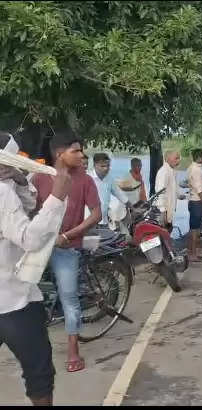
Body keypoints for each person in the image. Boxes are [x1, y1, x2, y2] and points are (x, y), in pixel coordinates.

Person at [0, 131, 71, 406]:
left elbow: (26, 206)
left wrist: (20, 182)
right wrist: (57, 198)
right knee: (39, 374)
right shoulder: (3, 193)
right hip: (14, 302)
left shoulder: (9, 188)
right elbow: (29, 238)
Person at [32, 129, 102, 374]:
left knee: (69, 298)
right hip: (38, 247)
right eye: (77, 150)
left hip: (67, 248)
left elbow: (96, 214)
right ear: (60, 154)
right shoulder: (39, 177)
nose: (82, 155)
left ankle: (73, 350)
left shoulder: (85, 179)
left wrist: (68, 236)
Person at [89, 153, 131, 227]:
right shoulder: (88, 179)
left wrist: (132, 207)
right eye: (102, 166)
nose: (106, 168)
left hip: (104, 221)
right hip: (88, 221)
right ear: (95, 165)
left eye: (108, 166)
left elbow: (119, 194)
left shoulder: (109, 178)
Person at [186, 148, 202, 263]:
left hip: (196, 202)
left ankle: (193, 252)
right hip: (197, 202)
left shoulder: (194, 168)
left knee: (194, 229)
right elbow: (199, 190)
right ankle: (193, 255)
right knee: (195, 230)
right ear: (201, 157)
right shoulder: (196, 170)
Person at [155, 151, 186, 231]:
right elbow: (160, 192)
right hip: (163, 209)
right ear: (167, 159)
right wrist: (163, 212)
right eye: (176, 158)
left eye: (179, 158)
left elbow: (173, 188)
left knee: (169, 229)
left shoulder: (173, 171)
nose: (178, 161)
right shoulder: (164, 171)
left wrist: (178, 195)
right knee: (163, 232)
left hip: (169, 209)